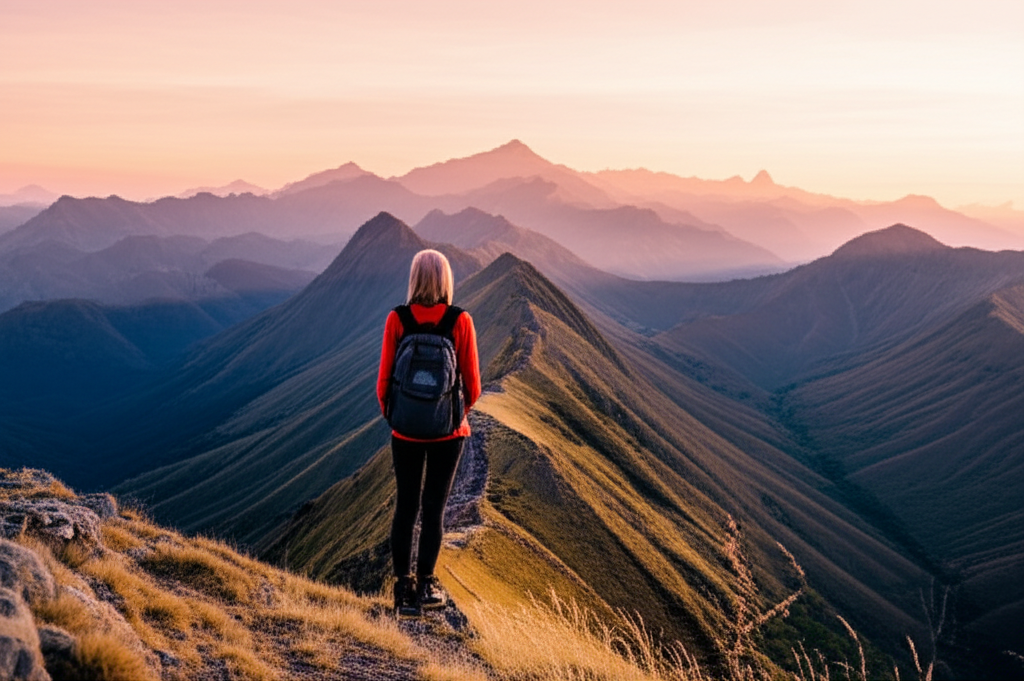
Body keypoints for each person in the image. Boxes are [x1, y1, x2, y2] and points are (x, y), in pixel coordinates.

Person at [376, 249, 481, 616]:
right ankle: (425, 585)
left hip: (405, 433)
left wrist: (400, 419)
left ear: (415, 278)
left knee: (405, 507)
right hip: (448, 435)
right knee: (434, 508)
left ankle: (402, 590)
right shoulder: (460, 320)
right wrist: (450, 417)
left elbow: (383, 383)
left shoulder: (397, 319)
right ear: (446, 279)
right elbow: (474, 386)